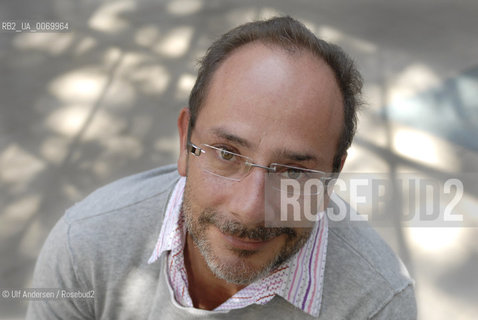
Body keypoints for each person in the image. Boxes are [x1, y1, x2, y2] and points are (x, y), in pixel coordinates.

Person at [27, 16, 416, 319]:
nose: (250, 209)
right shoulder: (85, 245)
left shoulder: (377, 304)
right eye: (227, 154)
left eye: (294, 172)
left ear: (331, 178)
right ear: (184, 142)